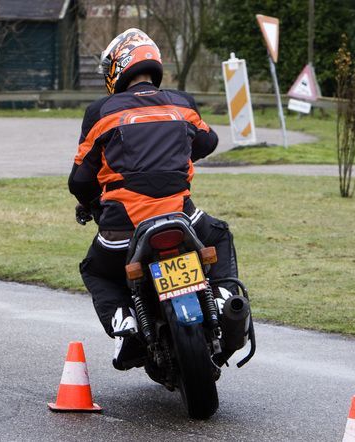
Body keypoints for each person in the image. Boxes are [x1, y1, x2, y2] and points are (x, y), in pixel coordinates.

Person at [68, 29, 239, 370]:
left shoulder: (100, 112)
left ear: (119, 68)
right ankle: (223, 297)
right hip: (182, 218)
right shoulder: (182, 103)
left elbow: (80, 179)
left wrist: (89, 205)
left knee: (95, 270)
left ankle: (125, 324)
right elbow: (208, 142)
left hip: (124, 230)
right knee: (218, 234)